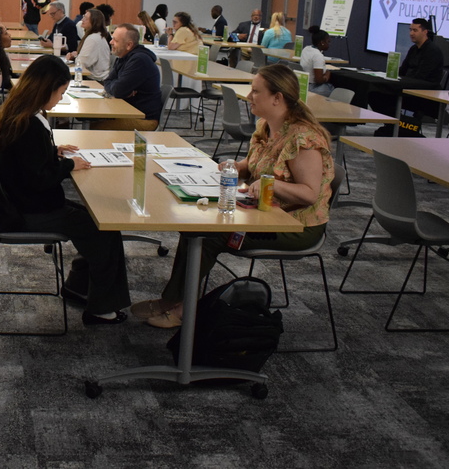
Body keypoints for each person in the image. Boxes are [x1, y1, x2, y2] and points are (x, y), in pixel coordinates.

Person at [132, 64, 334, 329]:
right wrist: (238, 167)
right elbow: (256, 164)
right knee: (192, 226)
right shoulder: (267, 126)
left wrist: (267, 183)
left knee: (210, 234)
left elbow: (309, 194)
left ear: (277, 98)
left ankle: (183, 309)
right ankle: (173, 300)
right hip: (263, 211)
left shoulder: (304, 138)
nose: (249, 97)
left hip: (296, 225)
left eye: (256, 92)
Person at [0, 54, 131, 325]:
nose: (60, 99)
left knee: (94, 220)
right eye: (60, 93)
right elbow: (39, 180)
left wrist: (52, 151)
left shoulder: (18, 113)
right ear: (46, 89)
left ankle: (78, 286)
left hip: (16, 201)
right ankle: (101, 309)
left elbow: (25, 160)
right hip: (28, 210)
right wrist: (67, 164)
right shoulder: (29, 124)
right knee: (103, 227)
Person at [368, 17, 445, 130]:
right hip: (408, 87)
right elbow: (402, 71)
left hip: (423, 95)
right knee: (374, 94)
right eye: (410, 30)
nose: (411, 33)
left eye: (415, 30)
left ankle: (402, 125)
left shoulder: (433, 51)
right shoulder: (413, 49)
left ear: (425, 32)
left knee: (380, 97)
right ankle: (395, 124)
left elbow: (421, 78)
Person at [95, 23, 162, 130]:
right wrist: (121, 91)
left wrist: (119, 90)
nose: (110, 42)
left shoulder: (139, 60)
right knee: (96, 121)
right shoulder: (123, 57)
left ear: (129, 45)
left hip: (143, 119)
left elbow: (117, 90)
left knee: (98, 126)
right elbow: (107, 82)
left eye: (115, 40)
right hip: (128, 111)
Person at [67, 8, 111, 81]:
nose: (82, 20)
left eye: (86, 18)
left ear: (94, 22)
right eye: (83, 17)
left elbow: (82, 63)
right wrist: (77, 56)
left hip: (96, 80)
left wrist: (76, 56)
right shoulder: (97, 36)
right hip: (97, 78)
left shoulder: (93, 38)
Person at [300, 26, 334, 97]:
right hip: (312, 88)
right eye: (328, 41)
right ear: (322, 42)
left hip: (302, 85)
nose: (329, 44)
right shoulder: (318, 55)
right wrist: (327, 75)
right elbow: (318, 80)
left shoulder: (306, 49)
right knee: (332, 89)